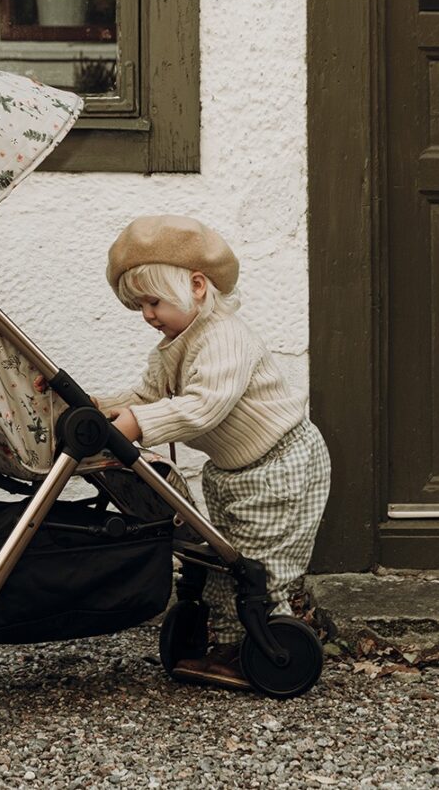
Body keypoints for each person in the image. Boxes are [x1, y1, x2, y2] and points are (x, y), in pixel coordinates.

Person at [94, 214, 331, 689]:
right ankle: (229, 642)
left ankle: (265, 648)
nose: (147, 314)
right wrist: (94, 408)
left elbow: (204, 408)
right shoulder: (174, 345)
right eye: (139, 305)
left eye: (154, 301)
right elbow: (147, 396)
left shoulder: (225, 337)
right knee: (225, 560)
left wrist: (139, 425)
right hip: (234, 473)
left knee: (257, 570)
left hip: (281, 466)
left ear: (197, 286)